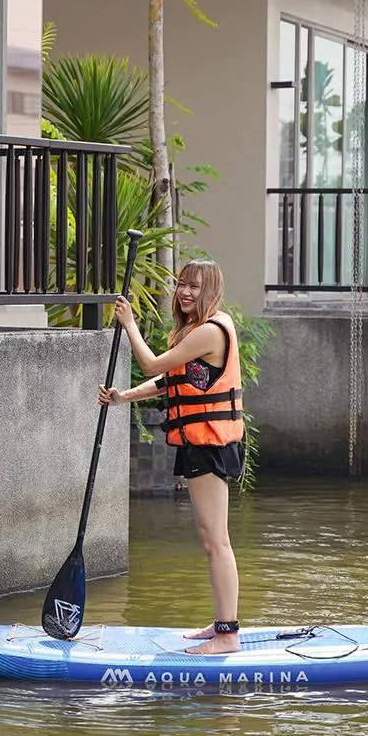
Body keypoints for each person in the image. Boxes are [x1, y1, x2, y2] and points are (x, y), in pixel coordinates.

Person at [97, 259, 244, 656]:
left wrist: (129, 324)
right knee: (210, 539)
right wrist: (123, 397)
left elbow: (151, 363)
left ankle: (228, 635)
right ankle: (220, 623)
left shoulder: (211, 331)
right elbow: (168, 380)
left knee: (217, 542)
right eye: (181, 284)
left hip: (211, 444)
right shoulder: (197, 331)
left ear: (210, 290)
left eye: (195, 286)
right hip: (202, 443)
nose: (185, 293)